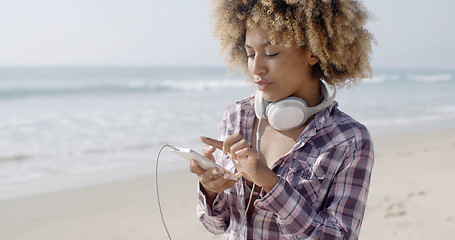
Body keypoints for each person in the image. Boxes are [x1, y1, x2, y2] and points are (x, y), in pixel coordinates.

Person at [189, 0, 374, 239]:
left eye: (271, 53)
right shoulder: (237, 116)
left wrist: (270, 183)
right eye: (250, 54)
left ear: (314, 51)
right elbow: (216, 226)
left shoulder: (348, 140)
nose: (256, 68)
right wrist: (210, 190)